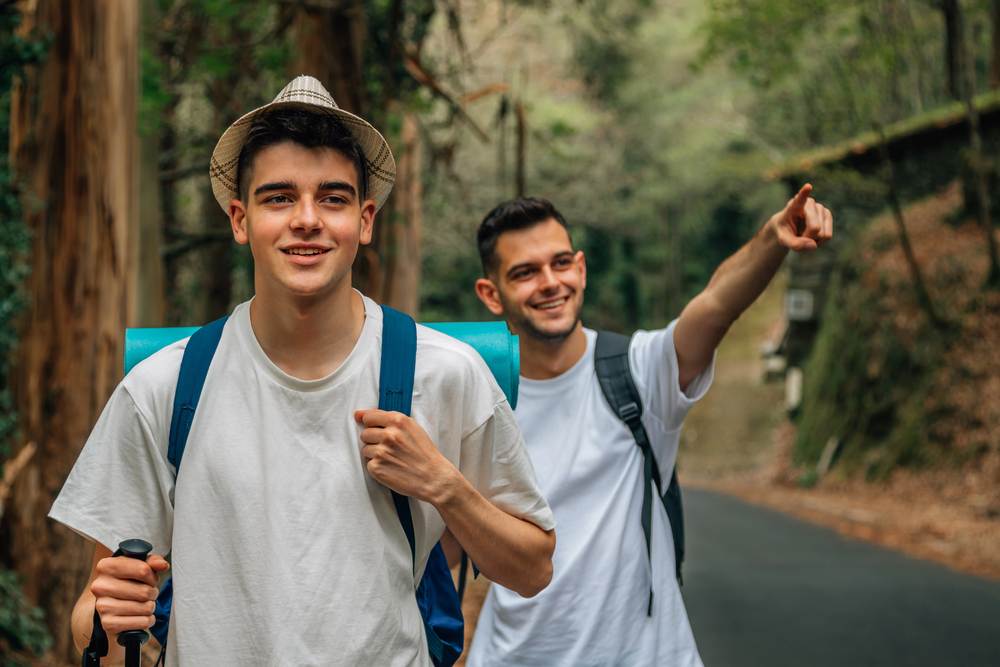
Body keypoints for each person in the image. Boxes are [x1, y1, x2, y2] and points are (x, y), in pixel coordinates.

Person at [49, 75, 556, 667]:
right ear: (240, 221)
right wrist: (108, 621)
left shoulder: (446, 373)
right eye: (279, 197)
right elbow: (94, 620)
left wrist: (444, 485)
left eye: (334, 198)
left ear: (365, 221)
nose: (308, 219)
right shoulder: (162, 389)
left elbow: (533, 568)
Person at [467, 193, 832, 666]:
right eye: (525, 272)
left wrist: (773, 239)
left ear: (581, 268)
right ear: (491, 293)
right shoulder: (478, 401)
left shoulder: (638, 372)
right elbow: (450, 550)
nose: (550, 283)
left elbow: (717, 305)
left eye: (560, 263)